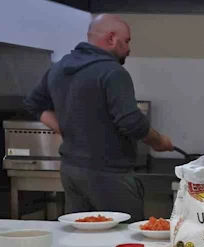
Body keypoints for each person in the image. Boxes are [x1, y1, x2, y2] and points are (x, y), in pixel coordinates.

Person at [24, 14, 174, 220]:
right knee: (125, 238)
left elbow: (34, 105)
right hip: (109, 175)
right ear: (112, 38)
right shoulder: (113, 72)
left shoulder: (59, 67)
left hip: (71, 171)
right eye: (127, 41)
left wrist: (64, 129)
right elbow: (132, 123)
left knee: (82, 237)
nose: (129, 49)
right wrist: (159, 141)